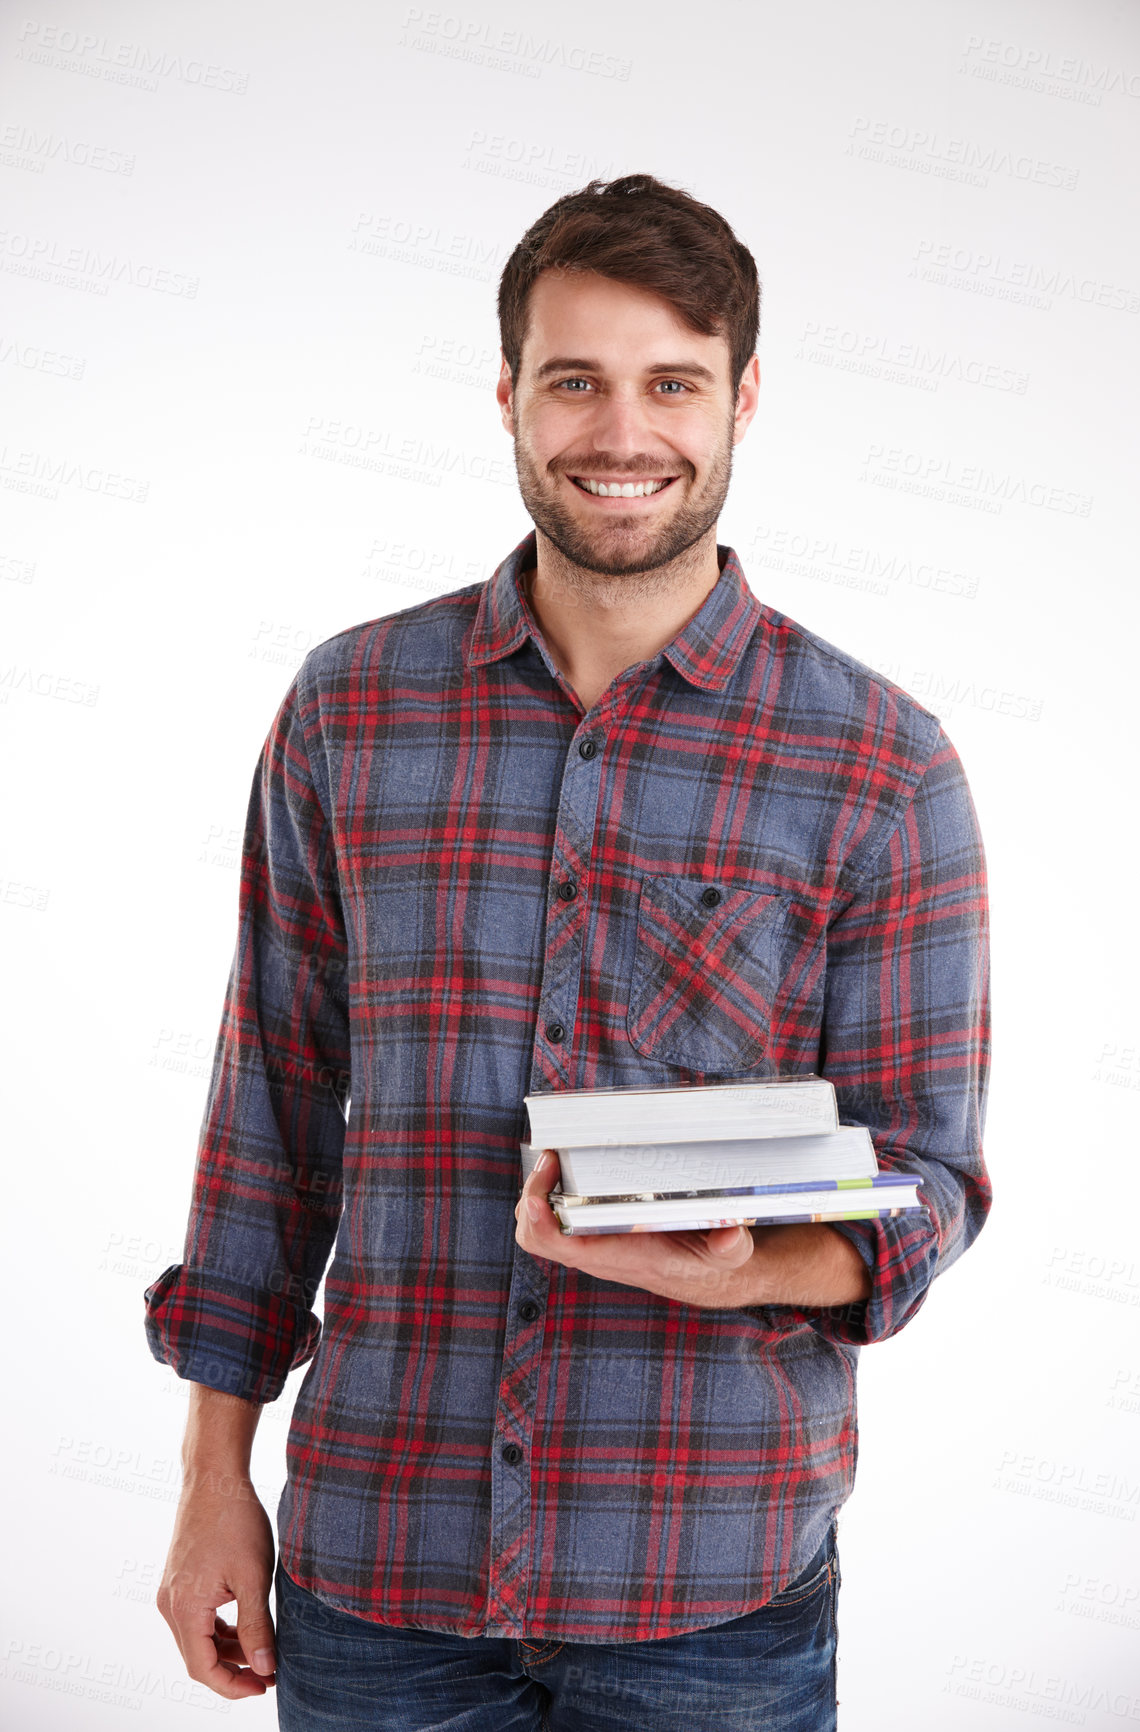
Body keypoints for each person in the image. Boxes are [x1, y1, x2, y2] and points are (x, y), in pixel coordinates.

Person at [144, 173, 991, 1730]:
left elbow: (924, 1182)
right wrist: (213, 1480)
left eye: (671, 381)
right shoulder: (351, 710)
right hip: (374, 1568)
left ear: (740, 399)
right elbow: (266, 1121)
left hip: (707, 1590)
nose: (622, 434)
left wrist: (754, 1271)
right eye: (574, 381)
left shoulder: (878, 766)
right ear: (509, 398)